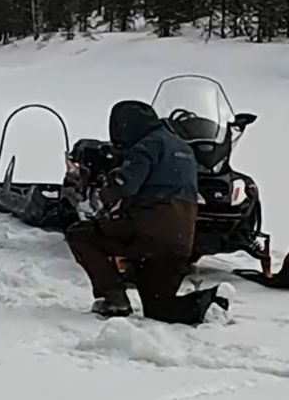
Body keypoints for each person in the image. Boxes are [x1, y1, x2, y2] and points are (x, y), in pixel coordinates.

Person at [64, 99, 219, 322]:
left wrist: (106, 189)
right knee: (160, 310)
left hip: (146, 231)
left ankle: (114, 299)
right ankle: (214, 300)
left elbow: (126, 185)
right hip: (179, 242)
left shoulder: (148, 145)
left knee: (80, 234)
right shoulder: (182, 147)